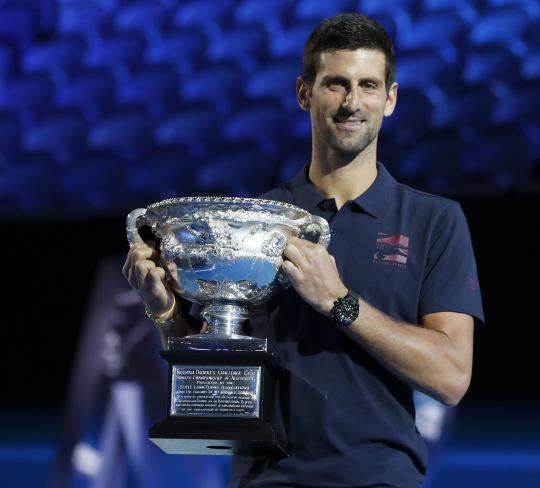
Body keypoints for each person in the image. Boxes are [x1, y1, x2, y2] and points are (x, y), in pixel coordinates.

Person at [123, 13, 484, 488]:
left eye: (369, 86)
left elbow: (452, 377)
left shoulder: (434, 220)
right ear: (304, 94)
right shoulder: (252, 224)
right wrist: (165, 311)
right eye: (336, 84)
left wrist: (340, 303)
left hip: (380, 479)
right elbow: (211, 370)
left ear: (390, 99)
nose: (352, 103)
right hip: (266, 481)